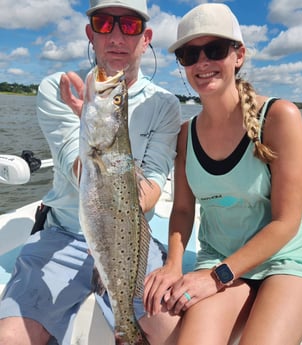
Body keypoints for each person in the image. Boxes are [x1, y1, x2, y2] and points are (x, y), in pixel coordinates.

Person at [144, 3, 302, 345]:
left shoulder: (278, 116)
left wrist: (216, 278)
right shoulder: (185, 134)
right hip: (218, 258)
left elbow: (285, 222)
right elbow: (183, 211)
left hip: (287, 260)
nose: (202, 63)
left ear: (238, 55)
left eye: (214, 50)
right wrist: (172, 264)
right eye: (189, 54)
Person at [0, 0, 181, 344]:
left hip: (129, 237)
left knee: (178, 333)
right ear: (90, 33)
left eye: (129, 26)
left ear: (145, 39)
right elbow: (77, 168)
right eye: (103, 23)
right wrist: (93, 124)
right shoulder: (61, 88)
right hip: (62, 235)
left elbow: (155, 178)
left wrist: (104, 141)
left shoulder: (164, 104)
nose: (115, 36)